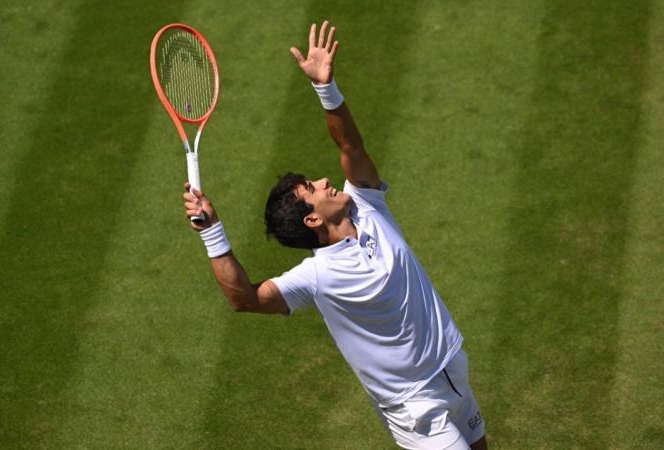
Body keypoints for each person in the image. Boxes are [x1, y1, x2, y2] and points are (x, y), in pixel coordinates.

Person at [182, 21, 487, 450]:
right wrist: (212, 233)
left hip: (454, 370)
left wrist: (327, 89)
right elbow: (244, 299)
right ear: (311, 220)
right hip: (416, 408)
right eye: (313, 188)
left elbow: (352, 149)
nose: (326, 181)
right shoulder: (317, 277)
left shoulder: (366, 202)